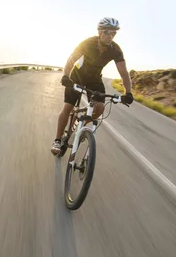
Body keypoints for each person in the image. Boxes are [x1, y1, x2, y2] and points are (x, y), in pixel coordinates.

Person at [51, 17, 134, 155]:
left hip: (95, 80)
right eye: (107, 32)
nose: (110, 36)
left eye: (113, 33)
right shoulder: (88, 43)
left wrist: (128, 92)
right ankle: (58, 140)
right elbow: (71, 60)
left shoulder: (115, 49)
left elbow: (124, 73)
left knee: (100, 108)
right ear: (99, 32)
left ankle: (80, 125)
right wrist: (65, 76)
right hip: (77, 77)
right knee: (68, 107)